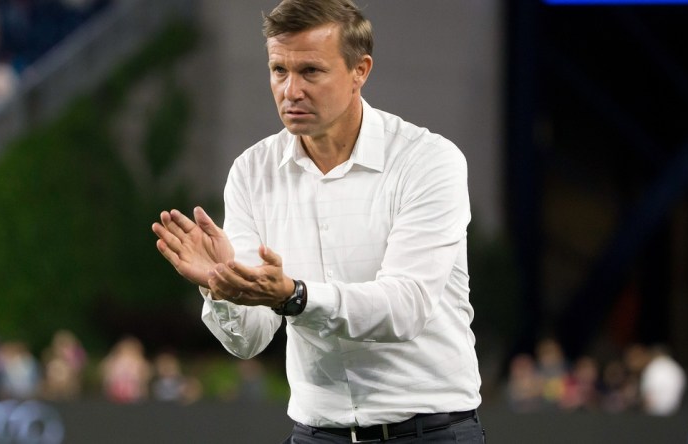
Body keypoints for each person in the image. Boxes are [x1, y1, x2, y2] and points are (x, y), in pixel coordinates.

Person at [151, 0, 484, 442]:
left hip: (431, 432)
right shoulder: (252, 172)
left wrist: (297, 297)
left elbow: (405, 308)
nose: (291, 91)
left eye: (311, 71)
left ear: (359, 71)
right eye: (278, 71)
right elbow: (250, 340)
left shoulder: (428, 161)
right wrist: (220, 287)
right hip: (316, 433)